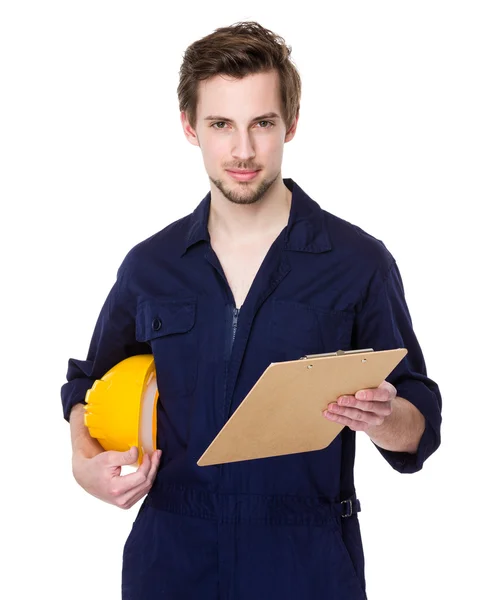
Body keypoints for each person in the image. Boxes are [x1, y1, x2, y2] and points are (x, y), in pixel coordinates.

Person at [61, 20, 442, 600]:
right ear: (190, 128)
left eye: (262, 124)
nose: (243, 150)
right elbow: (87, 386)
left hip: (307, 562)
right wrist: (82, 463)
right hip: (172, 560)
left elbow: (419, 417)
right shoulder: (151, 266)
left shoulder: (357, 262)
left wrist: (387, 419)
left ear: (290, 124)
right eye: (221, 125)